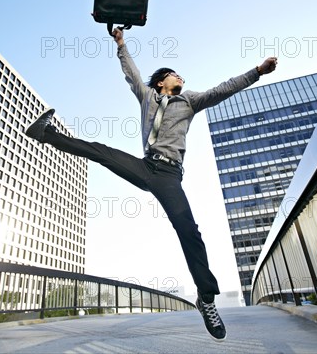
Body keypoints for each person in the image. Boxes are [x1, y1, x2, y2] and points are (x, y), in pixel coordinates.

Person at [25, 28, 278, 341]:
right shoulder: (147, 97)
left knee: (188, 231)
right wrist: (120, 43)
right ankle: (45, 134)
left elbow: (223, 89)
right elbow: (132, 73)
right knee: (101, 152)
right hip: (146, 167)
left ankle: (207, 299)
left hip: (170, 176)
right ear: (161, 82)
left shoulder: (190, 101)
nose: (179, 76)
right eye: (173, 74)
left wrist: (257, 72)